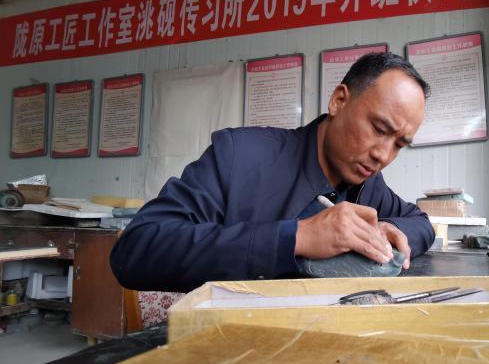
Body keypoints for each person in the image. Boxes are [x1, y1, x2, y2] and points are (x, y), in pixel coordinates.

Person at [110, 53, 435, 292]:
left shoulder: (368, 183)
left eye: (399, 144)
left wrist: (388, 228)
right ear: (338, 101)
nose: (383, 155)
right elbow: (136, 250)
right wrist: (296, 238)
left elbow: (420, 222)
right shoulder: (241, 155)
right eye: (379, 129)